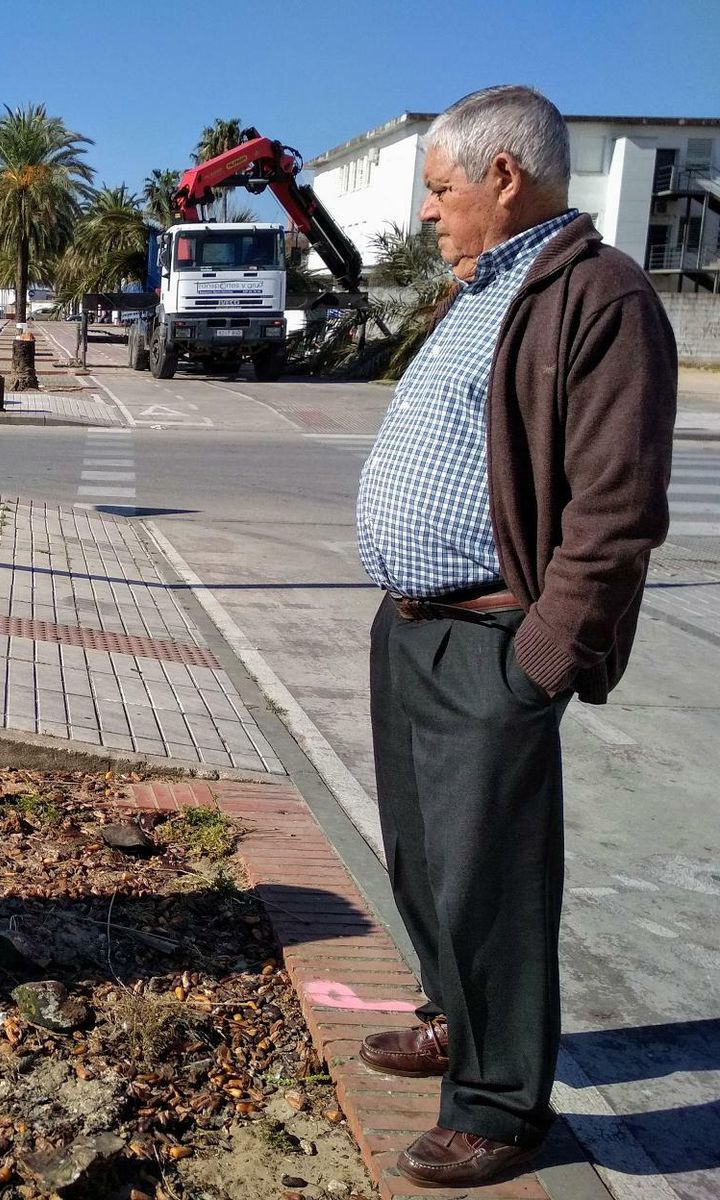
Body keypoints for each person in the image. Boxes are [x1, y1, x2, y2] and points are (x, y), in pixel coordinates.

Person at [354, 85, 676, 1187]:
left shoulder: (600, 298)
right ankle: (459, 1020)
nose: (427, 215)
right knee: (426, 862)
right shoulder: (480, 287)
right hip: (411, 630)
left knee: (491, 877)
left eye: (439, 191)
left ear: (504, 178)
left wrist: (539, 662)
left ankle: (499, 1106)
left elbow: (616, 507)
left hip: (493, 641)